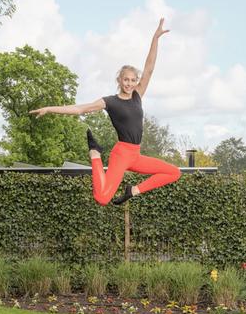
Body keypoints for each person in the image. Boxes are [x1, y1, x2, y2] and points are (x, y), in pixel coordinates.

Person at [30, 18, 181, 206]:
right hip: (122, 153)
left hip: (136, 155)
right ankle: (95, 154)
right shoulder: (110, 102)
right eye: (126, 80)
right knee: (102, 198)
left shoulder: (137, 95)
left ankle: (132, 191)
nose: (130, 83)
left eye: (133, 80)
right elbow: (79, 109)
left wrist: (155, 38)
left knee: (174, 172)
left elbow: (149, 68)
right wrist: (49, 108)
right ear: (120, 80)